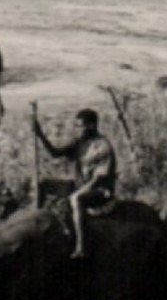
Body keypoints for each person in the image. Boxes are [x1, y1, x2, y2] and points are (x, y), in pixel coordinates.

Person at [33, 108, 118, 260]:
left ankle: (81, 246)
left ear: (91, 126)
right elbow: (55, 153)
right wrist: (39, 134)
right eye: (76, 126)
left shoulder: (102, 146)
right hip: (79, 185)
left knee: (75, 199)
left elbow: (99, 178)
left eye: (80, 126)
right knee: (44, 184)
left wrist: (81, 191)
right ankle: (35, 223)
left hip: (99, 190)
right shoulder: (80, 142)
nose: (77, 129)